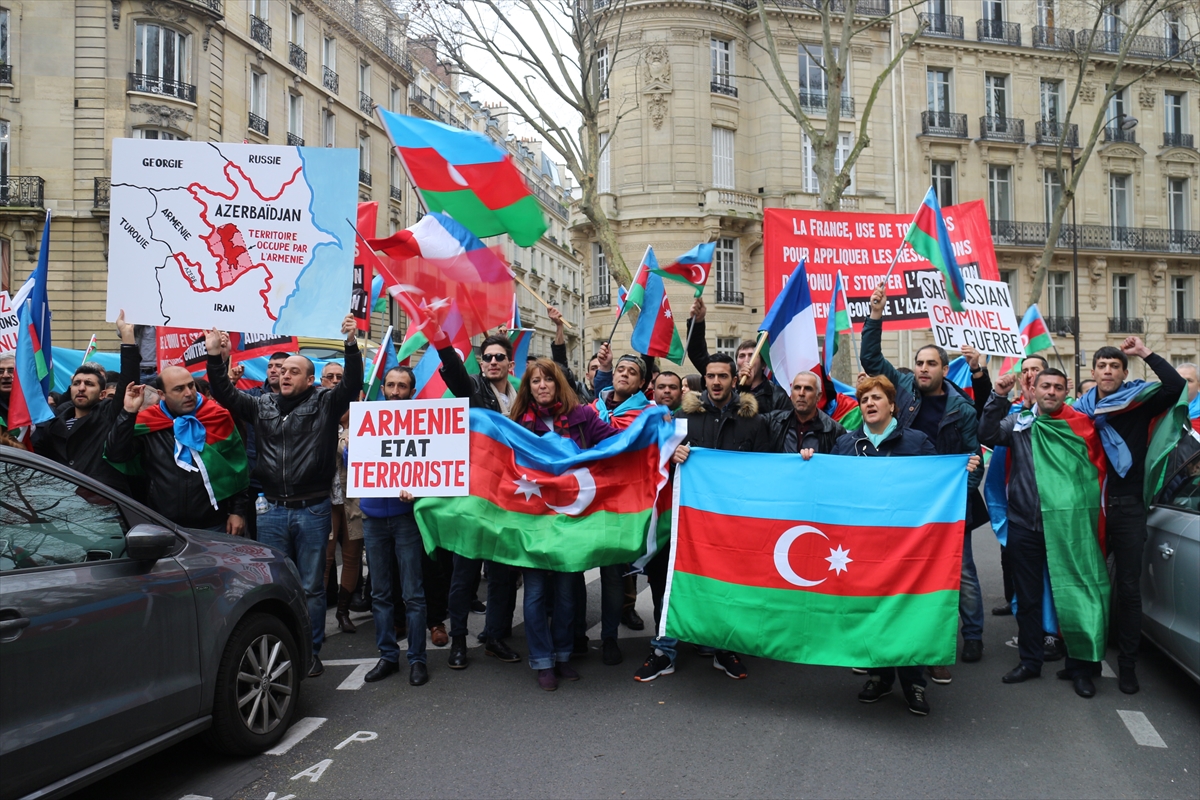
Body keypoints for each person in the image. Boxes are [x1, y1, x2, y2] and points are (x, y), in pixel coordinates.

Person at [204, 315, 363, 679]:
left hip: (313, 510)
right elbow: (226, 394)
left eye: (295, 371)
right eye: (283, 370)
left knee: (310, 586)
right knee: (272, 586)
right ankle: (281, 648)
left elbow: (352, 382)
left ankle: (310, 651)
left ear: (310, 380)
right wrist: (215, 356)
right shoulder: (261, 405)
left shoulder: (324, 403)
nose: (286, 375)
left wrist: (351, 345)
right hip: (272, 509)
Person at [831, 375, 980, 716]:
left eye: (876, 398)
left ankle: (914, 681)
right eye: (864, 398)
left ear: (892, 405)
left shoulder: (917, 442)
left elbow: (938, 482)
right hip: (863, 546)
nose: (869, 403)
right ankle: (880, 677)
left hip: (906, 546)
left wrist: (962, 470)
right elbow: (831, 486)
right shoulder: (846, 446)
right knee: (872, 608)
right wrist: (809, 459)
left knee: (905, 610)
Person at [862, 283, 984, 681]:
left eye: (931, 364)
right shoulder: (904, 388)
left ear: (944, 370)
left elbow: (973, 458)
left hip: (947, 506)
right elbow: (870, 357)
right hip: (904, 503)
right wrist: (876, 314)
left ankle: (974, 634)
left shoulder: (962, 410)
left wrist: (959, 497)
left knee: (960, 571)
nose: (923, 369)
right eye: (919, 363)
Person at [980, 368, 1109, 698]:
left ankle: (1080, 667)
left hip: (1068, 528)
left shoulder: (1080, 426)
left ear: (1066, 392)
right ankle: (1030, 661)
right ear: (1033, 390)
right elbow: (988, 433)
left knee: (1076, 592)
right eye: (1045, 386)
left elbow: (1091, 477)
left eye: (1058, 387)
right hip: (1026, 524)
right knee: (1028, 598)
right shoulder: (1021, 423)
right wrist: (997, 395)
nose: (1051, 392)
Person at [645, 352, 770, 682]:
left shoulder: (754, 422)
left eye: (723, 376)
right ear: (705, 379)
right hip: (688, 520)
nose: (716, 382)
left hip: (733, 522)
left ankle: (723, 648)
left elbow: (766, 470)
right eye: (711, 376)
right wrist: (673, 453)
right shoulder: (683, 418)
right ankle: (664, 650)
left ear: (734, 380)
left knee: (727, 584)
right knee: (677, 582)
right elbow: (656, 456)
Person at [1074, 337, 1187, 695]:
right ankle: (1084, 665)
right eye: (1102, 366)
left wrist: (1144, 352)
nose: (1108, 371)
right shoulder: (1078, 412)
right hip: (1090, 507)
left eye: (1115, 367)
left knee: (1127, 588)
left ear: (1124, 373)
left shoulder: (1136, 404)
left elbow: (1176, 387)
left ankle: (1127, 666)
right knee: (1086, 586)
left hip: (1127, 509)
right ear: (1093, 372)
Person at [510, 358, 616, 691]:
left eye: (547, 380)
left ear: (559, 384)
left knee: (569, 592)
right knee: (537, 592)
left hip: (572, 518)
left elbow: (616, 443)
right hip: (534, 519)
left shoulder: (582, 416)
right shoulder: (517, 424)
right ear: (528, 388)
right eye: (535, 381)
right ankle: (542, 661)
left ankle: (563, 655)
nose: (541, 386)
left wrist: (660, 433)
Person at [431, 324, 521, 668]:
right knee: (464, 573)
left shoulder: (520, 396)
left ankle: (495, 636)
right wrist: (441, 340)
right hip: (473, 495)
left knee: (502, 574)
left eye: (500, 357)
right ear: (481, 363)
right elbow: (454, 372)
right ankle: (458, 642)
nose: (493, 362)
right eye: (487, 358)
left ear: (510, 364)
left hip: (509, 497)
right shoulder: (472, 388)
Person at [106, 366, 250, 533]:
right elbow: (116, 454)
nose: (188, 393)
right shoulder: (148, 421)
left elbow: (238, 467)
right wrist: (128, 413)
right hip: (162, 524)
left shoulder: (217, 417)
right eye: (179, 389)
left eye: (191, 385)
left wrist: (237, 512)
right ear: (162, 395)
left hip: (213, 524)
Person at [359, 365, 430, 686]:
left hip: (406, 519)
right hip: (373, 518)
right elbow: (357, 463)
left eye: (402, 386)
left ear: (412, 392)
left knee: (413, 594)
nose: (396, 391)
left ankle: (417, 659)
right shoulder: (367, 420)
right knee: (381, 593)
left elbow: (435, 463)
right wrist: (350, 450)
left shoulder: (426, 423)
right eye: (391, 385)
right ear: (383, 388)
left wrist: (419, 486)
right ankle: (388, 656)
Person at [588, 345, 655, 664]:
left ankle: (609, 637)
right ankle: (573, 636)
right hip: (588, 499)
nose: (624, 374)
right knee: (574, 566)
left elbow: (615, 442)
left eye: (632, 372)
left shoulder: (645, 414)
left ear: (642, 383)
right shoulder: (593, 406)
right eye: (620, 370)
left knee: (614, 575)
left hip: (621, 503)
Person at [34, 312, 138, 493]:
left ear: (102, 394)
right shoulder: (54, 424)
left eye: (89, 384)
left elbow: (129, 382)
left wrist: (127, 336)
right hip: (63, 504)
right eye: (76, 383)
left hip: (102, 501)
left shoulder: (107, 415)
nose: (81, 388)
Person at [686, 296, 791, 412]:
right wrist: (697, 323)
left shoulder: (777, 395)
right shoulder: (726, 383)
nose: (747, 360)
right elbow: (698, 354)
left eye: (752, 355)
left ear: (763, 365)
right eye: (742, 356)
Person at [241, 350, 289, 541]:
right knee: (258, 537)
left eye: (279, 366)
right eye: (270, 366)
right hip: (257, 481)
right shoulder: (254, 397)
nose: (273, 370)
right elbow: (226, 398)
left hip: (289, 483)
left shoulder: (304, 399)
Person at [327, 407, 364, 634]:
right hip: (325, 502)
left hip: (353, 501)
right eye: (329, 377)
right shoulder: (319, 420)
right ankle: (316, 618)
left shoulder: (364, 426)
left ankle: (343, 613)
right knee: (325, 560)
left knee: (351, 559)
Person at [764, 370, 846, 455]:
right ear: (791, 394)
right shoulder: (773, 422)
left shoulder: (835, 431)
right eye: (797, 388)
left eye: (808, 389)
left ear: (818, 396)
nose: (801, 393)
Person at [1177, 362, 1199, 433]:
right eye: (1179, 379)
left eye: (1189, 380)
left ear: (1199, 385)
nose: (1183, 383)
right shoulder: (1163, 408)